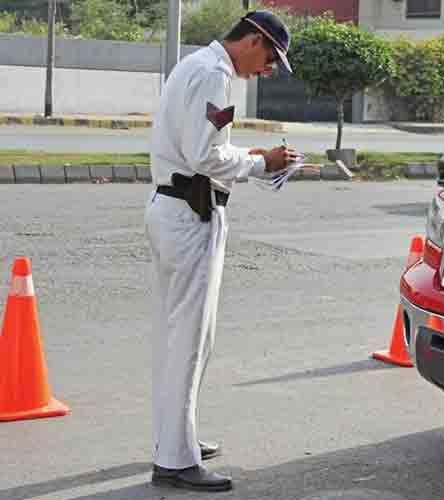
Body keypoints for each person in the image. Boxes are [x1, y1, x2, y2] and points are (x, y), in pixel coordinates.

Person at [144, 10, 297, 493]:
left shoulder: (197, 66)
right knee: (190, 339)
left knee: (177, 336)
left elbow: (201, 146)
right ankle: (175, 460)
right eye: (270, 57)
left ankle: (175, 439)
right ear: (252, 40)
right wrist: (260, 161)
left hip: (173, 209)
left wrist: (250, 159)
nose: (268, 69)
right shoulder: (215, 75)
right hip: (190, 216)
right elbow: (204, 155)